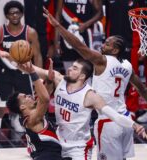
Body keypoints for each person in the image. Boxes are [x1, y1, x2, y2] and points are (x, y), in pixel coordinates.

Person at [0, 47, 147, 160]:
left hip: (79, 148)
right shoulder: (59, 79)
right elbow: (29, 67)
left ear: (82, 76)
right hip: (59, 144)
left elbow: (113, 115)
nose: (69, 69)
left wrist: (135, 126)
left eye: (75, 68)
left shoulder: (90, 95)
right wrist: (9, 56)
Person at [43, 9, 147, 160]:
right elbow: (142, 89)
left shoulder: (102, 60)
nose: (103, 44)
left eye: (107, 44)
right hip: (125, 118)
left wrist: (58, 26)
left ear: (115, 50)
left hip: (108, 121)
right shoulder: (127, 65)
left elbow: (79, 46)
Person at [0, 0, 42, 156]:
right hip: (5, 74)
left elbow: (37, 55)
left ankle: (33, 144)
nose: (15, 15)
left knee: (30, 110)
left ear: (22, 14)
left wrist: (38, 76)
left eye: (17, 12)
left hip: (24, 73)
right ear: (7, 15)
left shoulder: (30, 32)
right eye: (11, 13)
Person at [6, 67, 62, 160]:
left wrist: (49, 79)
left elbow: (46, 92)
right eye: (25, 97)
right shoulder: (32, 119)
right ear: (22, 107)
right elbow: (45, 99)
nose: (29, 95)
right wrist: (32, 73)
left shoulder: (28, 114)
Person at [55, 0, 103, 73]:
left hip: (84, 33)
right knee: (69, 69)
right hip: (67, 33)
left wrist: (86, 24)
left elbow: (100, 13)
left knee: (85, 67)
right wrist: (56, 40)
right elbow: (58, 15)